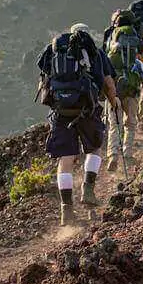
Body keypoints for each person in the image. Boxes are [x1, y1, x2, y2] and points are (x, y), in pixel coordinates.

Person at [37, 26, 119, 225]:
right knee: (95, 149)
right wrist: (114, 103)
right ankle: (88, 189)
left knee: (65, 160)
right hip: (87, 109)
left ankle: (67, 210)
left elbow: (43, 80)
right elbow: (108, 82)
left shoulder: (53, 51)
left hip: (61, 112)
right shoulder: (95, 52)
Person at [105, 10, 143, 172]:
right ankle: (128, 154)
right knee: (130, 124)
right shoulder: (137, 62)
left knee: (114, 125)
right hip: (132, 91)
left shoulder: (110, 54)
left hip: (114, 91)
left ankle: (113, 155)